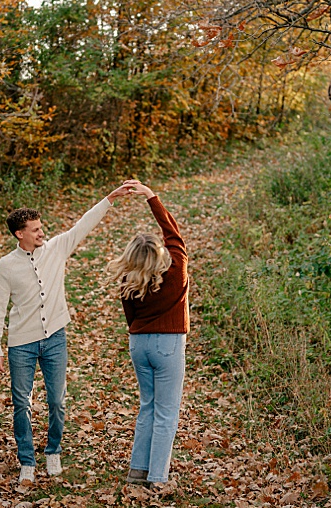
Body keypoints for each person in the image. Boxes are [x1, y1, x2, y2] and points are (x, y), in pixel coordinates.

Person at [0, 184, 132, 489]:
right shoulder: (7, 266)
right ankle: (27, 460)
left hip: (55, 337)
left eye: (42, 227)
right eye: (36, 229)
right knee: (21, 404)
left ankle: (53, 450)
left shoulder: (56, 249)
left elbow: (83, 225)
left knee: (57, 401)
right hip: (21, 344)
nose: (42, 233)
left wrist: (109, 199)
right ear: (19, 234)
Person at [108, 179, 189, 489]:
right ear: (158, 255)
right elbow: (175, 235)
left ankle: (137, 472)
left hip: (139, 344)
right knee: (166, 413)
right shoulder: (176, 270)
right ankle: (158, 478)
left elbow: (131, 318)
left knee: (148, 407)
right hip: (167, 344)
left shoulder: (129, 281)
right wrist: (152, 198)